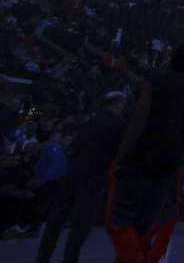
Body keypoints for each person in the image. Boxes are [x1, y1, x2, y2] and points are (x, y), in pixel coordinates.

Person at [105, 42, 184, 263]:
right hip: (168, 161)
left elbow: (139, 119)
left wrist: (121, 154)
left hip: (141, 156)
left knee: (119, 219)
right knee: (145, 222)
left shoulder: (158, 80)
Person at [35, 91, 126, 263]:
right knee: (81, 223)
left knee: (56, 218)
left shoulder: (89, 120)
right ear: (119, 103)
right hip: (94, 176)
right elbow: (121, 152)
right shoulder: (118, 123)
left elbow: (74, 145)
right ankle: (70, 258)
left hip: (73, 172)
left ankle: (42, 257)